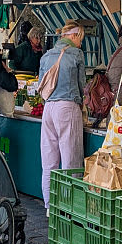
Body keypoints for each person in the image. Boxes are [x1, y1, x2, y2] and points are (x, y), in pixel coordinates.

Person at [38, 21, 87, 212]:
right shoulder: (76, 54)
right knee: (70, 161)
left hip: (48, 109)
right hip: (67, 107)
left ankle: (50, 207)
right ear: (74, 36)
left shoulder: (46, 56)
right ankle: (68, 207)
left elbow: (41, 85)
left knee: (48, 163)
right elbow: (82, 84)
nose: (81, 43)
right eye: (81, 39)